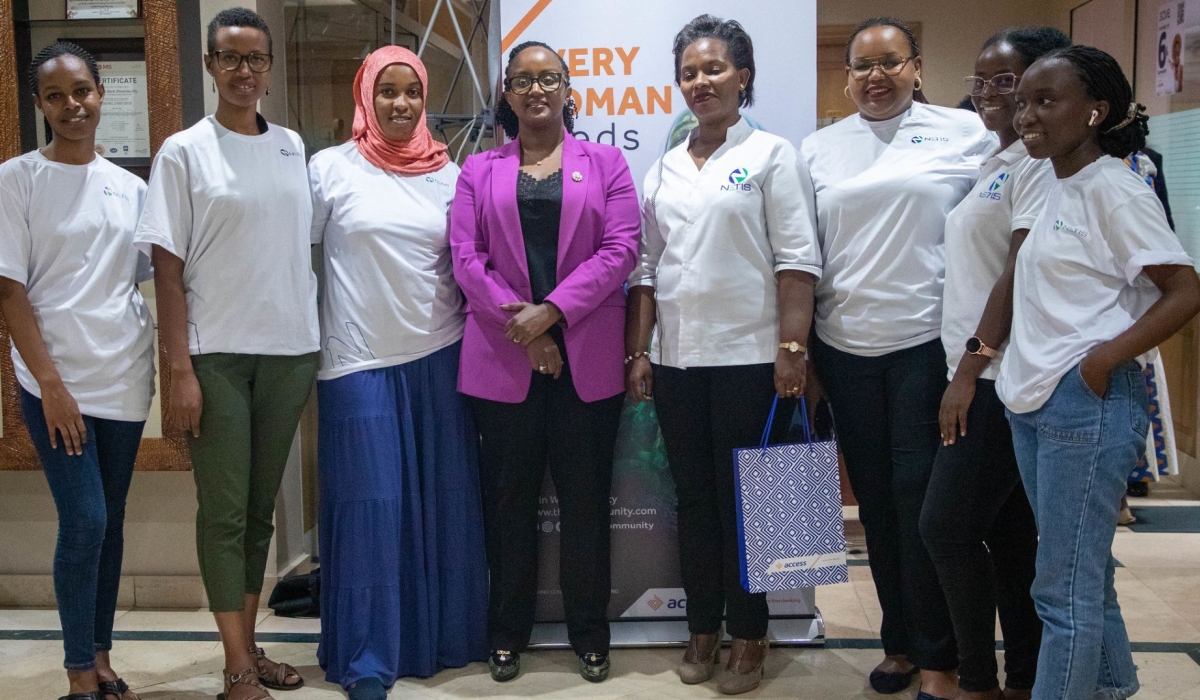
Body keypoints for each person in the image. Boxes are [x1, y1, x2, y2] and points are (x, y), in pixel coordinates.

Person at [799, 17, 995, 699]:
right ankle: (900, 643)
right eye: (862, 65)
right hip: (845, 349)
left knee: (921, 504)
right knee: (876, 505)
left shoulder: (964, 133)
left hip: (926, 348)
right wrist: (807, 355)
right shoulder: (818, 148)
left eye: (889, 62)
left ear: (916, 67)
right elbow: (804, 257)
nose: (875, 76)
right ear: (847, 77)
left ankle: (941, 655)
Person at [625, 15, 821, 695]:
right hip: (678, 362)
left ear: (743, 77)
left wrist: (792, 348)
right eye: (688, 73)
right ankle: (703, 628)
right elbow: (647, 268)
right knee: (695, 502)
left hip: (751, 360)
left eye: (713, 69)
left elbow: (797, 260)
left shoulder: (771, 155)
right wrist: (640, 351)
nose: (700, 82)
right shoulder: (663, 168)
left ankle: (752, 634)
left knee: (753, 506)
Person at [1001, 45, 1200, 700]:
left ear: (1095, 111)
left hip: (1084, 403)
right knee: (1084, 578)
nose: (1026, 115)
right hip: (1037, 402)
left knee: (1061, 591)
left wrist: (1101, 360)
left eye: (1045, 101)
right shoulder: (1056, 182)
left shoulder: (1115, 188)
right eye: (1023, 102)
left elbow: (1184, 290)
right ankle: (1110, 688)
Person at [133, 8, 320, 700]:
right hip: (215, 357)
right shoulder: (184, 152)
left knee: (261, 511)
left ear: (269, 68)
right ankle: (236, 665)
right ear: (211, 65)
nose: (245, 70)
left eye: (256, 58)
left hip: (289, 351)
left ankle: (248, 648)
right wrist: (178, 369)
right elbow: (167, 269)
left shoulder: (292, 146)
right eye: (231, 58)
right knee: (224, 513)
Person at [449, 40, 639, 684]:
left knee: (586, 506)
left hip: (587, 363)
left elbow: (621, 250)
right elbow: (466, 260)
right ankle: (507, 633)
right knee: (509, 505)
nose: (536, 90)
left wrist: (551, 313)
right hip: (502, 364)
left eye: (549, 78)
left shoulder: (606, 163)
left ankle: (590, 633)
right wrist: (526, 332)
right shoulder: (478, 170)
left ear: (567, 89)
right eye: (523, 80)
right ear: (506, 92)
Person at [308, 45, 487, 700]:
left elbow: (466, 267)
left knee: (443, 506)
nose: (401, 103)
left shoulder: (450, 174)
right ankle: (366, 657)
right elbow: (297, 259)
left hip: (441, 356)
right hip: (357, 362)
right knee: (372, 511)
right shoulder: (330, 169)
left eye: (412, 91)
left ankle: (441, 640)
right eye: (387, 90)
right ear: (364, 95)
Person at [919, 26, 1070, 700]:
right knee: (1009, 539)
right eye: (980, 82)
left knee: (944, 529)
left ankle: (977, 681)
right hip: (981, 374)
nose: (988, 93)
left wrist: (967, 371)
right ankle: (1025, 681)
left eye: (1004, 80)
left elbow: (1014, 273)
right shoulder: (997, 159)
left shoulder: (1038, 166)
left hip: (997, 380)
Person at [0, 42, 153, 700]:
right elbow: (9, 292)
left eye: (82, 91)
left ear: (101, 93)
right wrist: (52, 387)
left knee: (110, 521)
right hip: (53, 382)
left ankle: (101, 655)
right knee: (85, 519)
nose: (73, 105)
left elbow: (144, 278)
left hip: (124, 376)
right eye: (57, 96)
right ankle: (76, 670)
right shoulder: (16, 179)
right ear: (39, 104)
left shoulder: (132, 189)